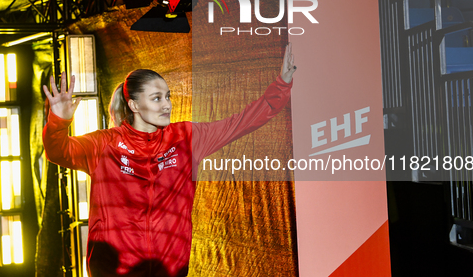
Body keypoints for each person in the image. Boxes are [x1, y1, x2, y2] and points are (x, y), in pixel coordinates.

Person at [42, 42, 297, 277]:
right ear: (133, 106)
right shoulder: (104, 144)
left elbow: (240, 123)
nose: (167, 105)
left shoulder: (186, 138)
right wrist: (58, 121)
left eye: (168, 96)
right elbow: (58, 151)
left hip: (169, 271)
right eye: (157, 98)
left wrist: (281, 85)